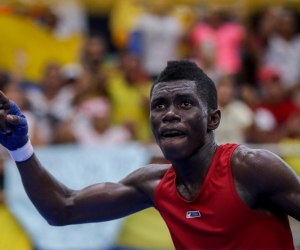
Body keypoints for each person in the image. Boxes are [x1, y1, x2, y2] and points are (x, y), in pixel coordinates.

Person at [0, 60, 298, 249]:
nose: (169, 114)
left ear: (213, 119)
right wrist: (20, 148)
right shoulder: (153, 185)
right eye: (159, 106)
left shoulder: (251, 168)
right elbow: (62, 208)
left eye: (184, 104)